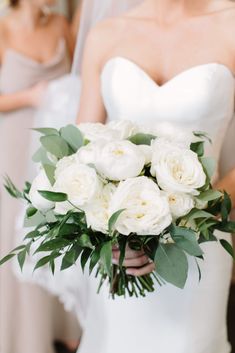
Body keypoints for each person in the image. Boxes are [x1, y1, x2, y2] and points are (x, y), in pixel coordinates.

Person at [72, 0, 235, 352]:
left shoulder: (230, 25)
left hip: (201, 246)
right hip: (120, 254)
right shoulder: (104, 35)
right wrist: (106, 233)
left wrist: (189, 221)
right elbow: (79, 153)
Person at [0, 1, 80, 352]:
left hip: (55, 144)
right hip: (13, 143)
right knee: (14, 234)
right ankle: (20, 336)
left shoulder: (62, 24)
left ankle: (63, 324)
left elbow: (80, 79)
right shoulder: (2, 29)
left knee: (56, 225)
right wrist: (30, 96)